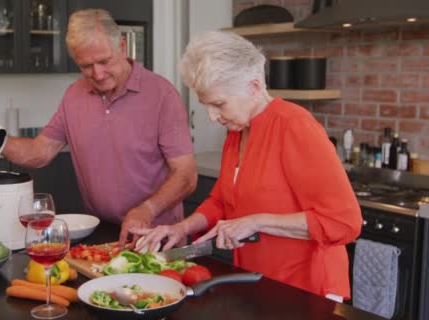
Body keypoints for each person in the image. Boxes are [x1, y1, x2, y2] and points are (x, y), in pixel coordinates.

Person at [133, 31, 362, 301]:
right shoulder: (237, 132)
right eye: (206, 105)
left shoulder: (294, 126)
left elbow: (343, 222)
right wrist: (180, 228)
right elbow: (222, 201)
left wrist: (256, 222)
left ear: (254, 87)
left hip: (308, 291)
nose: (212, 116)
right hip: (259, 283)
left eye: (219, 104)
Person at [0, 9, 197, 248]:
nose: (97, 73)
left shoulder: (162, 95)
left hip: (155, 235)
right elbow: (39, 151)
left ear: (123, 47)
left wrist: (147, 209)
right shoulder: (74, 96)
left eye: (104, 61)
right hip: (101, 236)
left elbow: (186, 175)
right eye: (86, 66)